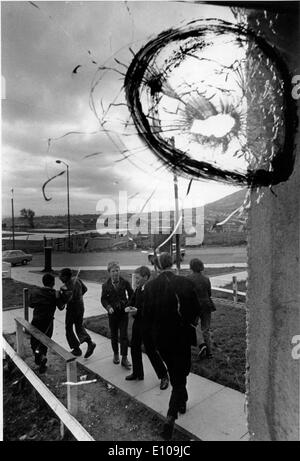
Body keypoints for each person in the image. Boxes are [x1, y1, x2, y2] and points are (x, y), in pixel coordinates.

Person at [143, 252, 201, 439]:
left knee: (177, 372)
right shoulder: (186, 283)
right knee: (180, 374)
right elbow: (195, 311)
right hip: (181, 337)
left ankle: (182, 401)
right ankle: (171, 415)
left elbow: (147, 315)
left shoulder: (150, 287)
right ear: (173, 264)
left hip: (162, 340)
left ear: (158, 266)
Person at [124, 266, 169, 390]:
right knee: (134, 347)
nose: (136, 280)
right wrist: (128, 307)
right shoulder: (139, 289)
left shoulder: (152, 290)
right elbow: (131, 301)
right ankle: (138, 373)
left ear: (145, 277)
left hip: (148, 325)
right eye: (135, 278)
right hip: (138, 323)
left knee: (150, 350)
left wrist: (137, 311)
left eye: (138, 278)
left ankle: (164, 375)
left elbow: (152, 309)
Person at [29, 273, 64, 373]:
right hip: (48, 323)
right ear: (53, 283)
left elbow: (31, 305)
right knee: (44, 342)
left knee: (34, 341)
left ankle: (39, 357)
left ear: (43, 282)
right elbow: (61, 307)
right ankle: (42, 358)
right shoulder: (54, 294)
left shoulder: (36, 292)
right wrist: (59, 297)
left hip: (36, 321)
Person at [101, 261, 133, 369]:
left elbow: (132, 295)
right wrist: (108, 307)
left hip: (123, 313)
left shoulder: (125, 282)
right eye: (113, 271)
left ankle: (124, 357)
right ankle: (115, 354)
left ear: (120, 271)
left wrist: (128, 305)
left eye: (117, 270)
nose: (115, 273)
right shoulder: (105, 285)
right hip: (113, 314)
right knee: (114, 335)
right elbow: (103, 299)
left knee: (124, 335)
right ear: (109, 273)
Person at [59, 268, 96, 358]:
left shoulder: (65, 287)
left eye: (61, 276)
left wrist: (63, 295)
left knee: (68, 328)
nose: (59, 277)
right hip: (80, 306)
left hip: (72, 309)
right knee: (79, 326)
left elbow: (65, 301)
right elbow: (85, 289)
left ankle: (76, 349)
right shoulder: (77, 279)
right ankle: (89, 343)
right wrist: (79, 297)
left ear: (66, 276)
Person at [187, 258, 216, 359]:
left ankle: (201, 344)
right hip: (207, 305)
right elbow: (209, 293)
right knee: (206, 329)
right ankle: (209, 352)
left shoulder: (188, 279)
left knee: (193, 326)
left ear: (191, 267)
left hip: (195, 306)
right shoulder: (206, 279)